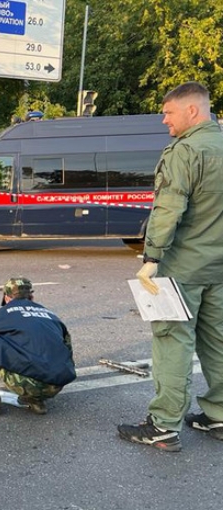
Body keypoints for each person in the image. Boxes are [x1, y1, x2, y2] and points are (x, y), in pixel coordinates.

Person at [118, 81, 223, 452]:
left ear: (192, 111)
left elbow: (168, 208)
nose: (164, 120)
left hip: (183, 268)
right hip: (220, 267)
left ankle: (163, 425)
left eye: (169, 112)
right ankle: (218, 414)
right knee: (218, 341)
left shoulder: (186, 151)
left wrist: (151, 258)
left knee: (172, 341)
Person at [0, 277, 75, 417]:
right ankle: (36, 400)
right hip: (55, 385)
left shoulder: (2, 314)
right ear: (32, 297)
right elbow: (66, 349)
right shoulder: (51, 315)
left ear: (6, 298)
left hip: (24, 383)